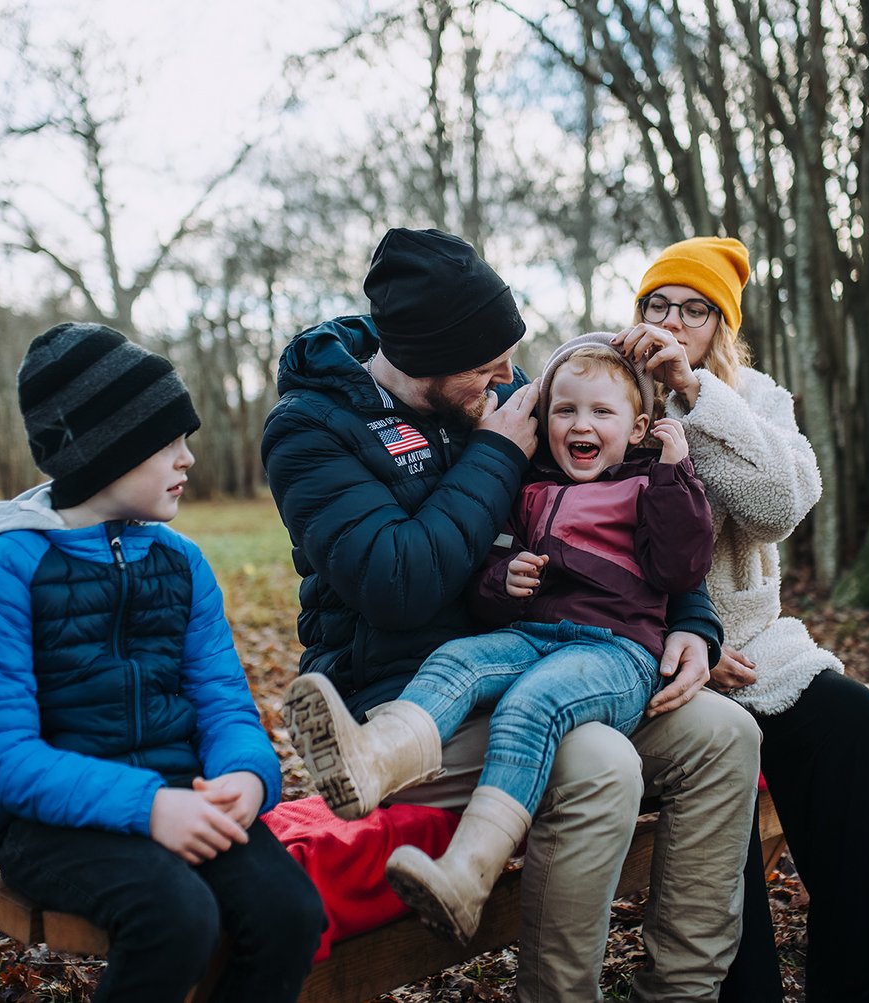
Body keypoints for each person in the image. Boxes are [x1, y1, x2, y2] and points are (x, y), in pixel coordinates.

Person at [262, 227, 761, 1003]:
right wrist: (494, 454)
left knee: (728, 736)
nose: (508, 377)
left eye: (510, 357)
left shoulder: (492, 389)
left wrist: (692, 622)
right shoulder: (312, 431)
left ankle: (681, 992)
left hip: (560, 656)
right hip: (411, 698)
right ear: (426, 355)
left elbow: (625, 500)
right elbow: (397, 580)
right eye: (487, 364)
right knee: (600, 761)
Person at [284, 334, 713, 945]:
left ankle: (469, 871)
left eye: (601, 413)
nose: (580, 424)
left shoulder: (651, 484)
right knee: (458, 658)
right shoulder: (529, 476)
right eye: (565, 411)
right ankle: (374, 758)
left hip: (614, 652)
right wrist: (501, 580)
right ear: (544, 418)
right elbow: (480, 575)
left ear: (639, 426)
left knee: (532, 702)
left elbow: (680, 569)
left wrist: (676, 475)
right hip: (531, 633)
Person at [0, 322, 325, 1003]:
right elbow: (2, 758)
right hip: (46, 820)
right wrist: (147, 805)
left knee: (289, 912)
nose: (187, 459)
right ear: (103, 449)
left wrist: (246, 774)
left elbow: (223, 700)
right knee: (176, 915)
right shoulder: (6, 571)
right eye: (168, 441)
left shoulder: (181, 562)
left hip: (176, 788)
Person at [614, 236, 869, 1002]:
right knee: (723, 765)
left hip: (756, 645)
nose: (675, 322)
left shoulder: (753, 397)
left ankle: (864, 984)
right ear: (638, 312)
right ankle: (741, 988)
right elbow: (588, 547)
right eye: (659, 305)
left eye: (696, 310)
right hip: (653, 653)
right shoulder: (604, 390)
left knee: (851, 721)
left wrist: (697, 398)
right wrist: (681, 642)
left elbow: (780, 507)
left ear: (721, 325)